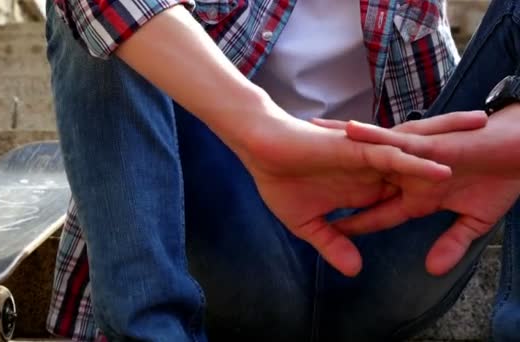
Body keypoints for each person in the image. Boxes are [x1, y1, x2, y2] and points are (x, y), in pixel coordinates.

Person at [43, 0, 520, 340]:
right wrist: (260, 130)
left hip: (389, 244)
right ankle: (155, 331)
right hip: (226, 248)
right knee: (107, 15)